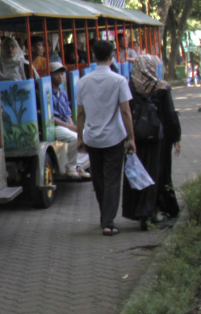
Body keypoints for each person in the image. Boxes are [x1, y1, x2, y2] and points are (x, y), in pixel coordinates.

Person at [76, 39, 136, 236]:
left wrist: (79, 137)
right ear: (112, 56)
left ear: (93, 55)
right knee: (112, 180)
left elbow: (81, 113)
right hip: (114, 138)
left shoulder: (83, 82)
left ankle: (106, 216)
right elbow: (126, 112)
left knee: (99, 180)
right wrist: (131, 138)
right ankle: (108, 221)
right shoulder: (119, 81)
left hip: (92, 138)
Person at [123, 54, 182, 229]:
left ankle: (139, 211)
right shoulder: (161, 87)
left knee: (137, 172)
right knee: (158, 173)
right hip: (159, 139)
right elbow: (170, 115)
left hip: (136, 137)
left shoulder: (130, 86)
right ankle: (157, 209)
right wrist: (176, 138)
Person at [49, 61, 88, 179]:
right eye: (57, 73)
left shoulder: (64, 93)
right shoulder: (48, 93)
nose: (60, 76)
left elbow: (68, 114)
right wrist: (70, 128)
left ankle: (80, 166)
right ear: (50, 75)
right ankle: (70, 167)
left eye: (62, 73)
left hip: (65, 125)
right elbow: (50, 117)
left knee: (88, 135)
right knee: (75, 138)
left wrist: (74, 126)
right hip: (55, 126)